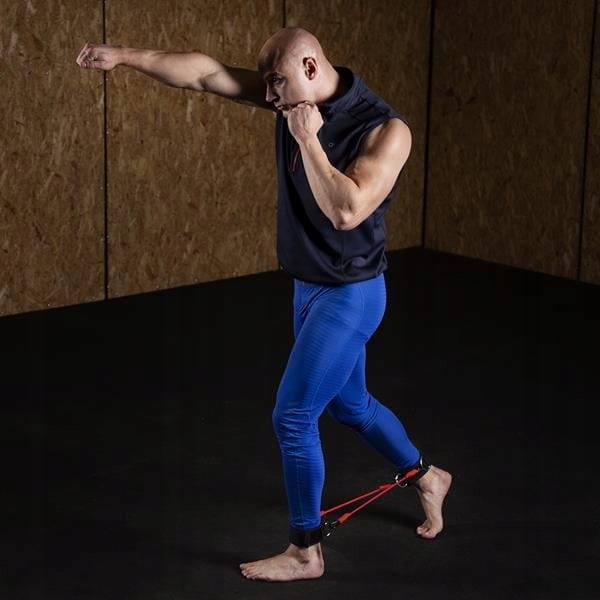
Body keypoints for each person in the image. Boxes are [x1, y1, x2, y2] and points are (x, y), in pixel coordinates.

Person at [76, 27, 452, 583]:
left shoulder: (385, 129)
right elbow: (206, 74)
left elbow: (346, 211)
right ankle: (427, 476)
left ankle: (305, 552)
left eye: (276, 84)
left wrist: (309, 140)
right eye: (267, 86)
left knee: (293, 416)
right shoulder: (289, 95)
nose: (270, 97)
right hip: (308, 287)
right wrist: (124, 56)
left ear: (309, 68)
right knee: (350, 406)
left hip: (350, 296)